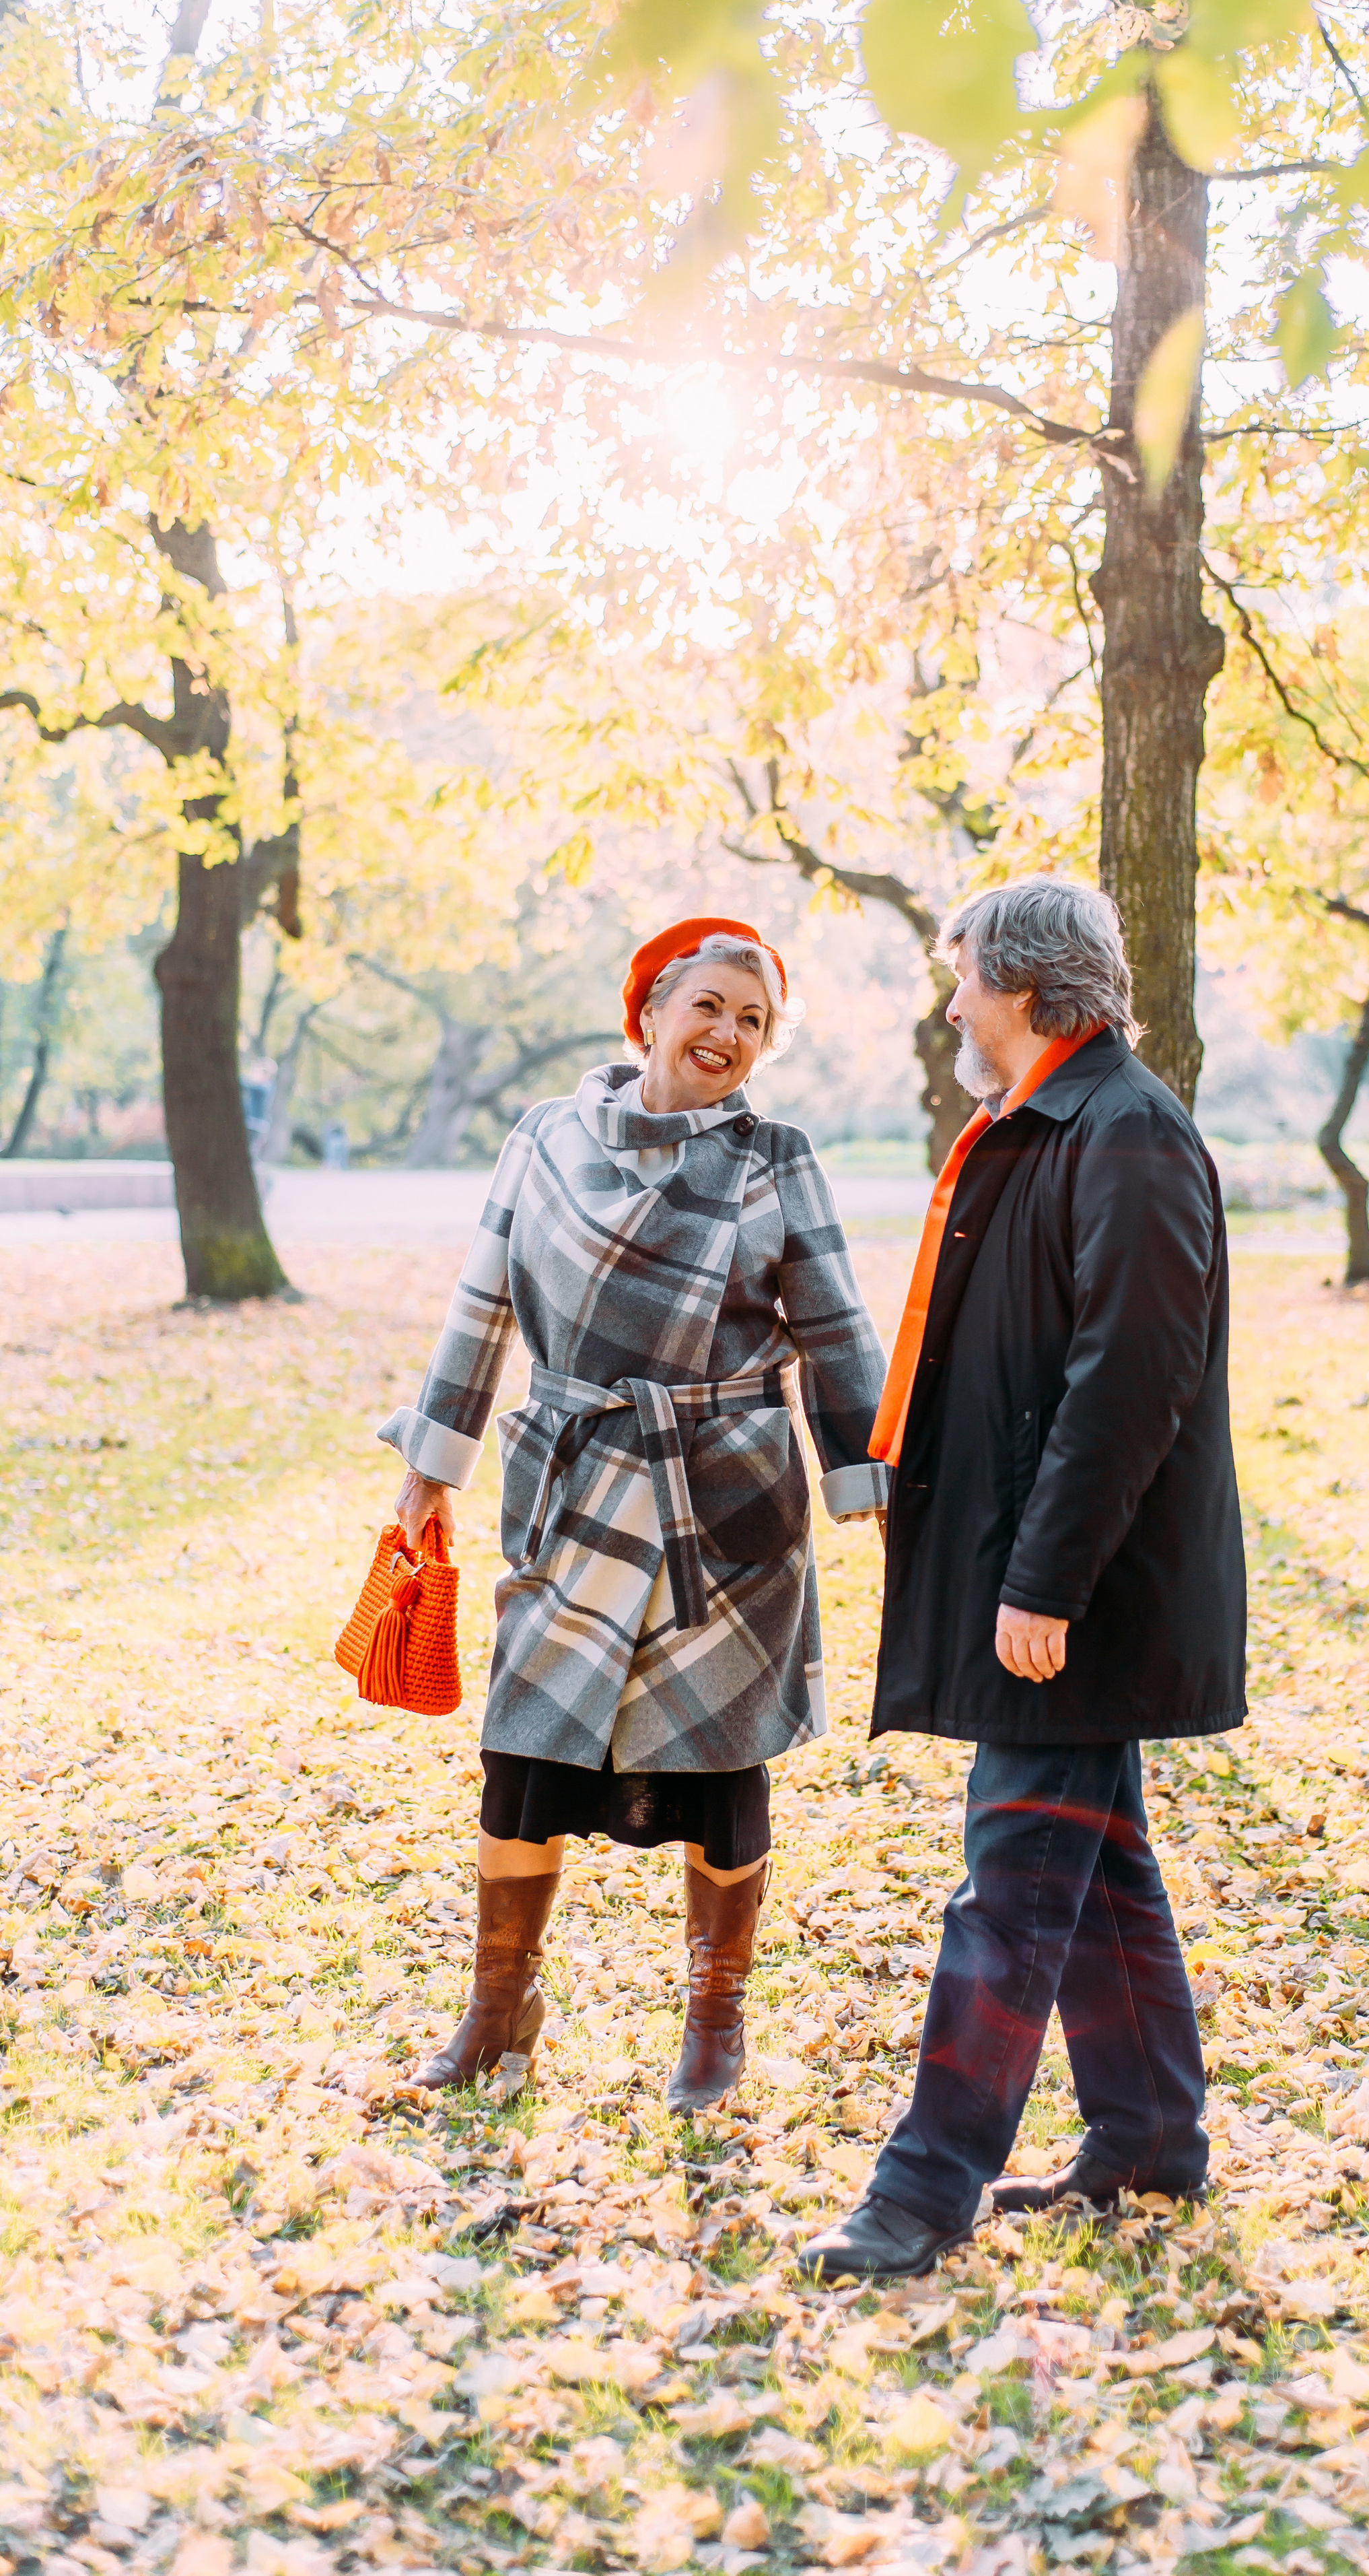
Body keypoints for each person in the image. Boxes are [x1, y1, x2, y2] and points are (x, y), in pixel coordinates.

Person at [802, 877, 1247, 2282]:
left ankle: (921, 2192)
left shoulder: (1126, 1136)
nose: (948, 1006)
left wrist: (1041, 1585)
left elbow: (1125, 1385)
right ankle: (1146, 2141)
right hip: (1036, 1573)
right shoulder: (1056, 1121)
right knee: (1095, 1869)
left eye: (960, 981)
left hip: (1078, 1598)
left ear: (1027, 989)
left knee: (1010, 1886)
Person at [381, 916, 890, 2107]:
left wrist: (870, 1486)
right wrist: (430, 1466)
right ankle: (498, 2011)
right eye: (708, 1005)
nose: (727, 1034)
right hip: (571, 1483)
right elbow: (481, 1300)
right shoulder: (544, 1138)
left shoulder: (777, 1156)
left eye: (753, 1020)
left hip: (728, 1503)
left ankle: (715, 2022)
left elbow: (836, 1330)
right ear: (650, 1010)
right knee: (524, 1757)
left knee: (723, 1775)